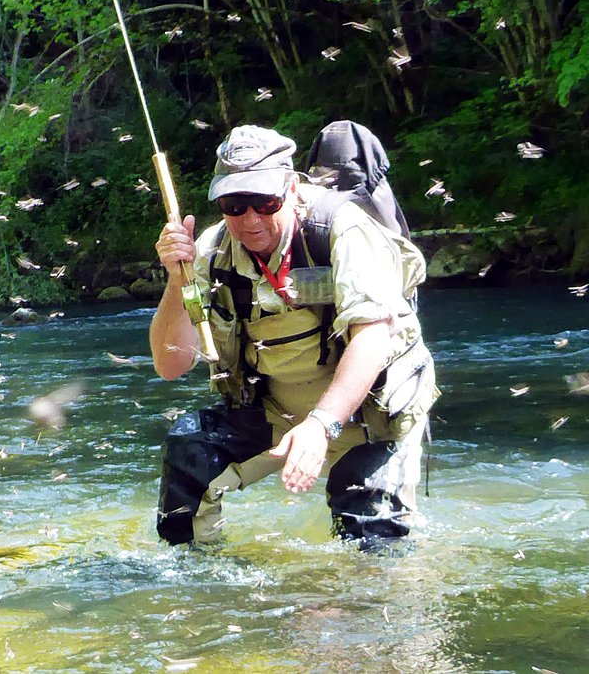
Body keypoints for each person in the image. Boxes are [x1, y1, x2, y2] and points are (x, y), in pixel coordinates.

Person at [149, 124, 437, 548]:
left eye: (265, 201)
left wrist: (320, 426)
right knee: (189, 455)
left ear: (291, 186)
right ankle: (204, 591)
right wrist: (177, 281)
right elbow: (170, 365)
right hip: (275, 410)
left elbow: (373, 339)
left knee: (372, 538)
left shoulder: (343, 231)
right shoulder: (212, 252)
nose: (250, 219)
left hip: (370, 414)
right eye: (234, 203)